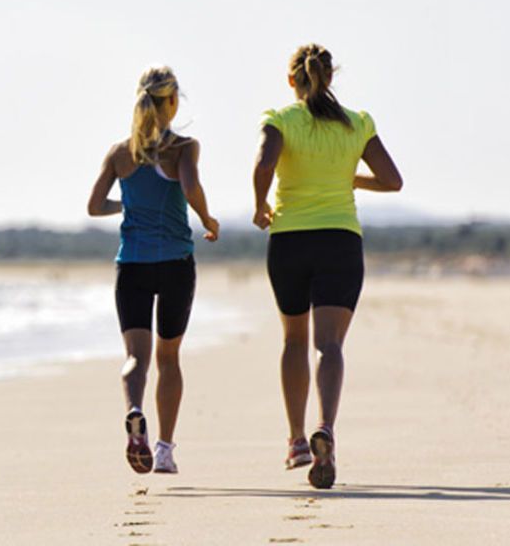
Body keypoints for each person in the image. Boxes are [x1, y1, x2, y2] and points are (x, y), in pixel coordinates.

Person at [252, 44, 403, 488]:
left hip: (290, 241)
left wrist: (261, 206)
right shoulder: (357, 123)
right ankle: (327, 429)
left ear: (291, 79)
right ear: (330, 78)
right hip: (340, 241)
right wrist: (347, 176)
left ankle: (297, 440)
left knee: (293, 338)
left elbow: (263, 163)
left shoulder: (280, 119)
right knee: (329, 345)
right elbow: (393, 180)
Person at [87, 65, 219, 474]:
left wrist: (127, 204)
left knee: (135, 358)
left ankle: (134, 411)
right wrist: (208, 220)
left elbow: (94, 206)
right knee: (169, 357)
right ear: (173, 101)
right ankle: (163, 449)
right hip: (176, 264)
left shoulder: (120, 153)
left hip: (132, 267)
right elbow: (191, 186)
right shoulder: (183, 147)